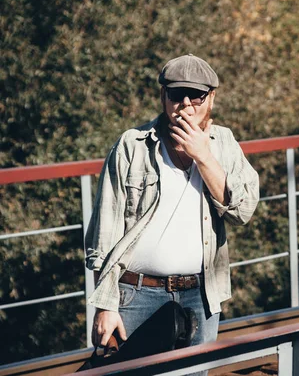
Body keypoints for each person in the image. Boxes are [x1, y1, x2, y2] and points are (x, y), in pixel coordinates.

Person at [84, 54, 260, 368]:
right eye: (177, 95)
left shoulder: (225, 144)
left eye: (197, 96)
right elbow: (104, 233)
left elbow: (243, 211)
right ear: (163, 97)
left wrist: (203, 157)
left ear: (212, 99)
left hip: (200, 294)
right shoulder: (132, 146)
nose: (186, 105)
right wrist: (105, 306)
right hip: (135, 295)